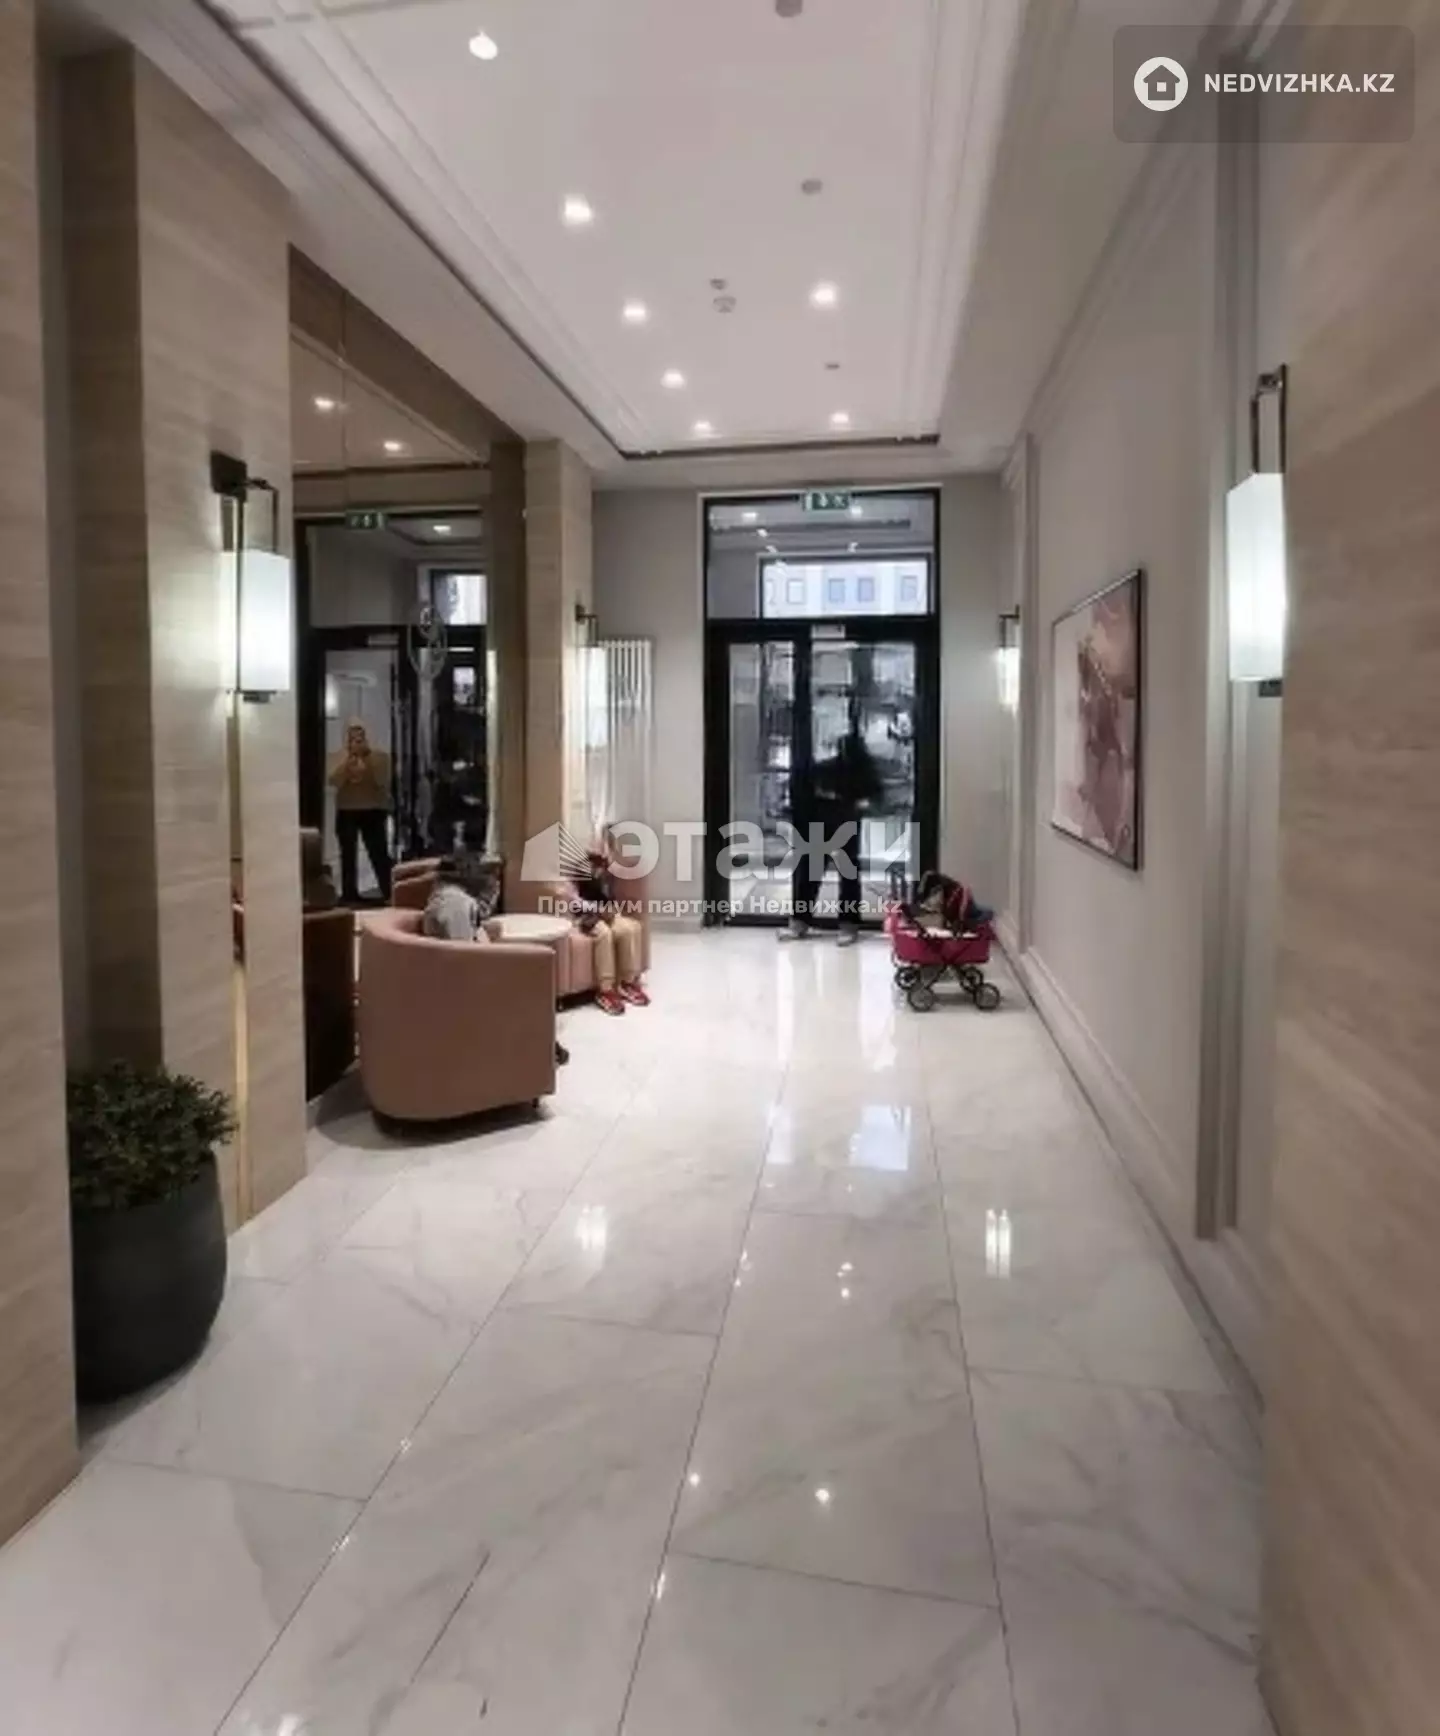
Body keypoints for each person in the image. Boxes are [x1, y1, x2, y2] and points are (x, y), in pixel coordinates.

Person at [423, 859, 569, 1065]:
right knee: (531, 984)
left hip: (469, 975)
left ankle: (544, 1047)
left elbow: (470, 933)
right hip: (469, 985)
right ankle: (540, 1053)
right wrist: (498, 971)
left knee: (527, 978)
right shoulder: (455, 904)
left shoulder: (450, 897)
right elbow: (464, 956)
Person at [782, 720, 884, 946]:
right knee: (813, 874)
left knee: (842, 877)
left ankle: (842, 925)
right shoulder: (828, 767)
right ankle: (803, 923)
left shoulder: (862, 770)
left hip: (842, 824)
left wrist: (856, 803)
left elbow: (874, 795)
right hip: (823, 823)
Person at [564, 841, 649, 1017]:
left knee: (627, 929)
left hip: (606, 913)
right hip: (585, 917)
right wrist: (597, 909)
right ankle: (606, 990)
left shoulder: (607, 872)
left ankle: (627, 983)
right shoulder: (577, 871)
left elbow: (609, 898)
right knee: (604, 933)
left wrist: (611, 910)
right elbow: (572, 900)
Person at [328, 721, 393, 903]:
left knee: (378, 852)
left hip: (373, 809)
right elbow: (333, 781)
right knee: (347, 854)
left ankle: (389, 891)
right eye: (352, 738)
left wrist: (367, 760)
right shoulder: (338, 758)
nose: (356, 742)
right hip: (347, 809)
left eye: (360, 738)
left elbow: (382, 781)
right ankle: (349, 893)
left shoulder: (380, 757)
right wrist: (347, 765)